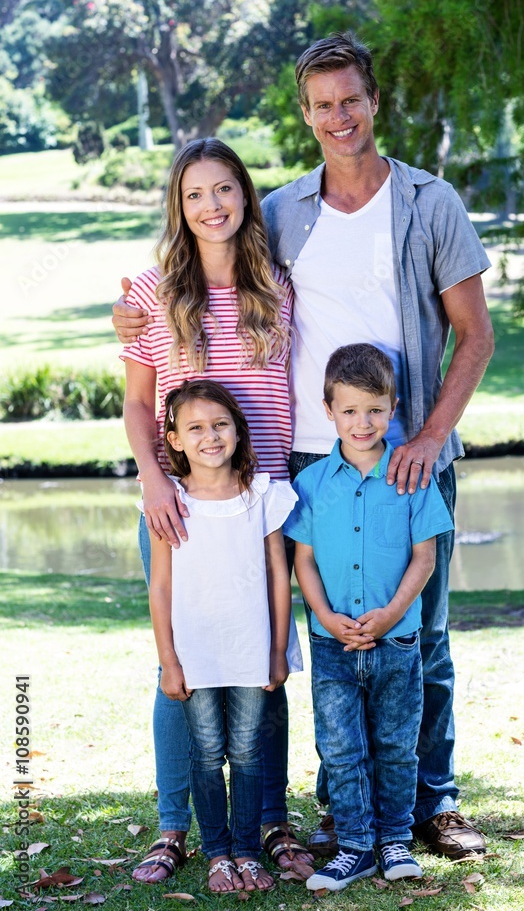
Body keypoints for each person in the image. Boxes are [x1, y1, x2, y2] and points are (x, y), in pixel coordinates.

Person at [113, 31, 495, 859]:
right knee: (280, 644)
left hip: (397, 458)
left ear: (373, 100)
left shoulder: (422, 207)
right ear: (305, 113)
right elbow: (159, 358)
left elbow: (475, 336)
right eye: (321, 105)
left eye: (350, 99)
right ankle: (280, 816)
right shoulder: (283, 213)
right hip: (291, 470)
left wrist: (430, 435)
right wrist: (134, 333)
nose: (338, 116)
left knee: (408, 636)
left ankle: (428, 803)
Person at [119, 137, 312, 882]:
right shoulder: (150, 293)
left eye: (224, 189)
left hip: (260, 503)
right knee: (182, 665)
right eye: (195, 194)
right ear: (179, 205)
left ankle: (270, 822)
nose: (212, 206)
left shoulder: (278, 285)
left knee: (268, 661)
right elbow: (139, 405)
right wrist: (153, 480)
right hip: (180, 507)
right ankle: (174, 827)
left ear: (245, 195)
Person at [283, 344, 452, 891]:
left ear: (394, 408)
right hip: (333, 642)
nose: (363, 422)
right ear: (328, 409)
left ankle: (396, 840)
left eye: (375, 410)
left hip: (397, 642)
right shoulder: (310, 485)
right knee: (340, 747)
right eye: (350, 410)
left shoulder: (413, 478)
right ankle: (355, 845)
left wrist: (393, 614)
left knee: (397, 743)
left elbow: (425, 557)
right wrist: (327, 618)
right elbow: (302, 560)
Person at [149, 379, 298, 893]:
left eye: (220, 424)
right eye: (195, 427)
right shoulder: (168, 503)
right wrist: (168, 660)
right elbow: (161, 587)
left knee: (250, 752)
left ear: (237, 430)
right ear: (173, 438)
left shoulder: (263, 494)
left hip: (251, 647)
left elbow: (280, 574)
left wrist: (278, 650)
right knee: (207, 753)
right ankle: (217, 853)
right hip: (195, 651)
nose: (210, 436)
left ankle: (248, 851)